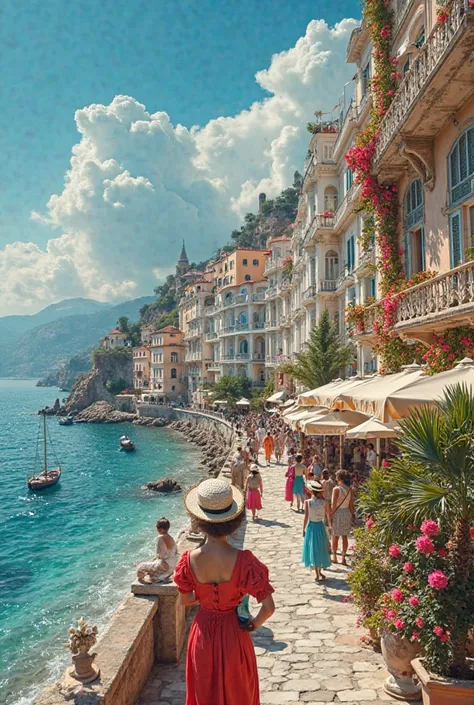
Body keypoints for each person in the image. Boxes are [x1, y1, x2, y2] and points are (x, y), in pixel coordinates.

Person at [174, 478, 275, 705]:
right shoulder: (245, 561)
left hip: (203, 633)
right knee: (239, 692)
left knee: (205, 692)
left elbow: (185, 600)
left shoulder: (188, 560)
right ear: (234, 520)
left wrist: (203, 595)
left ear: (199, 520)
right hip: (234, 634)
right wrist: (253, 624)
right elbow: (268, 608)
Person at [302, 481, 332, 582]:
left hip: (311, 526)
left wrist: (303, 528)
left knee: (313, 548)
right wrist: (330, 526)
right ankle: (319, 572)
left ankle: (317, 573)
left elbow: (306, 516)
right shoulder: (325, 502)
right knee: (321, 548)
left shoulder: (308, 502)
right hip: (320, 526)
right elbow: (328, 515)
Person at [136, 517, 178, 583]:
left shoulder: (160, 538)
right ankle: (159, 575)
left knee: (140, 567)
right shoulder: (171, 538)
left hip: (165, 566)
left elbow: (161, 556)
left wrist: (155, 559)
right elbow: (175, 552)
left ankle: (154, 576)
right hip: (172, 565)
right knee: (150, 564)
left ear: (160, 529)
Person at [331, 470, 355, 565]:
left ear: (338, 478)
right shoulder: (350, 489)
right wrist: (352, 515)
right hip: (346, 513)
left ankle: (335, 557)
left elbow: (333, 505)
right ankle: (344, 558)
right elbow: (351, 504)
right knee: (344, 536)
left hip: (338, 513)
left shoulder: (336, 489)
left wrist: (330, 515)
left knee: (335, 536)